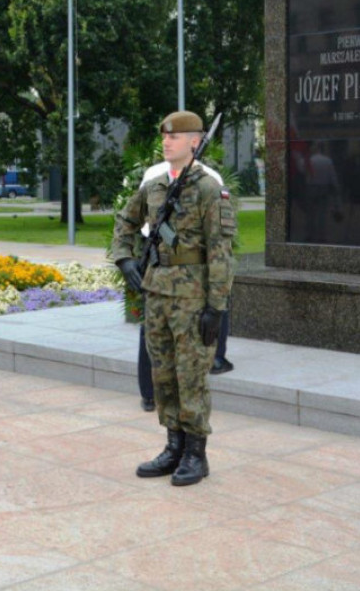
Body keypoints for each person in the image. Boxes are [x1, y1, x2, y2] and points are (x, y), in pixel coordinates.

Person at [111, 111, 235, 486]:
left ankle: (196, 454)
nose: (166, 142)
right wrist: (124, 258)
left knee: (190, 375)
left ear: (195, 142)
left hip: (193, 298)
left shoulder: (209, 189)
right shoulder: (155, 186)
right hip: (158, 293)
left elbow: (221, 253)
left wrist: (216, 308)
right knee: (163, 374)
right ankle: (173, 446)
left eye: (175, 137)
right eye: (164, 136)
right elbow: (125, 221)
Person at [134, 159, 235, 411]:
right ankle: (215, 360)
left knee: (154, 327)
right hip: (183, 263)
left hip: (157, 258)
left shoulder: (153, 172)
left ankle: (150, 394)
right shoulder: (210, 176)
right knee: (196, 319)